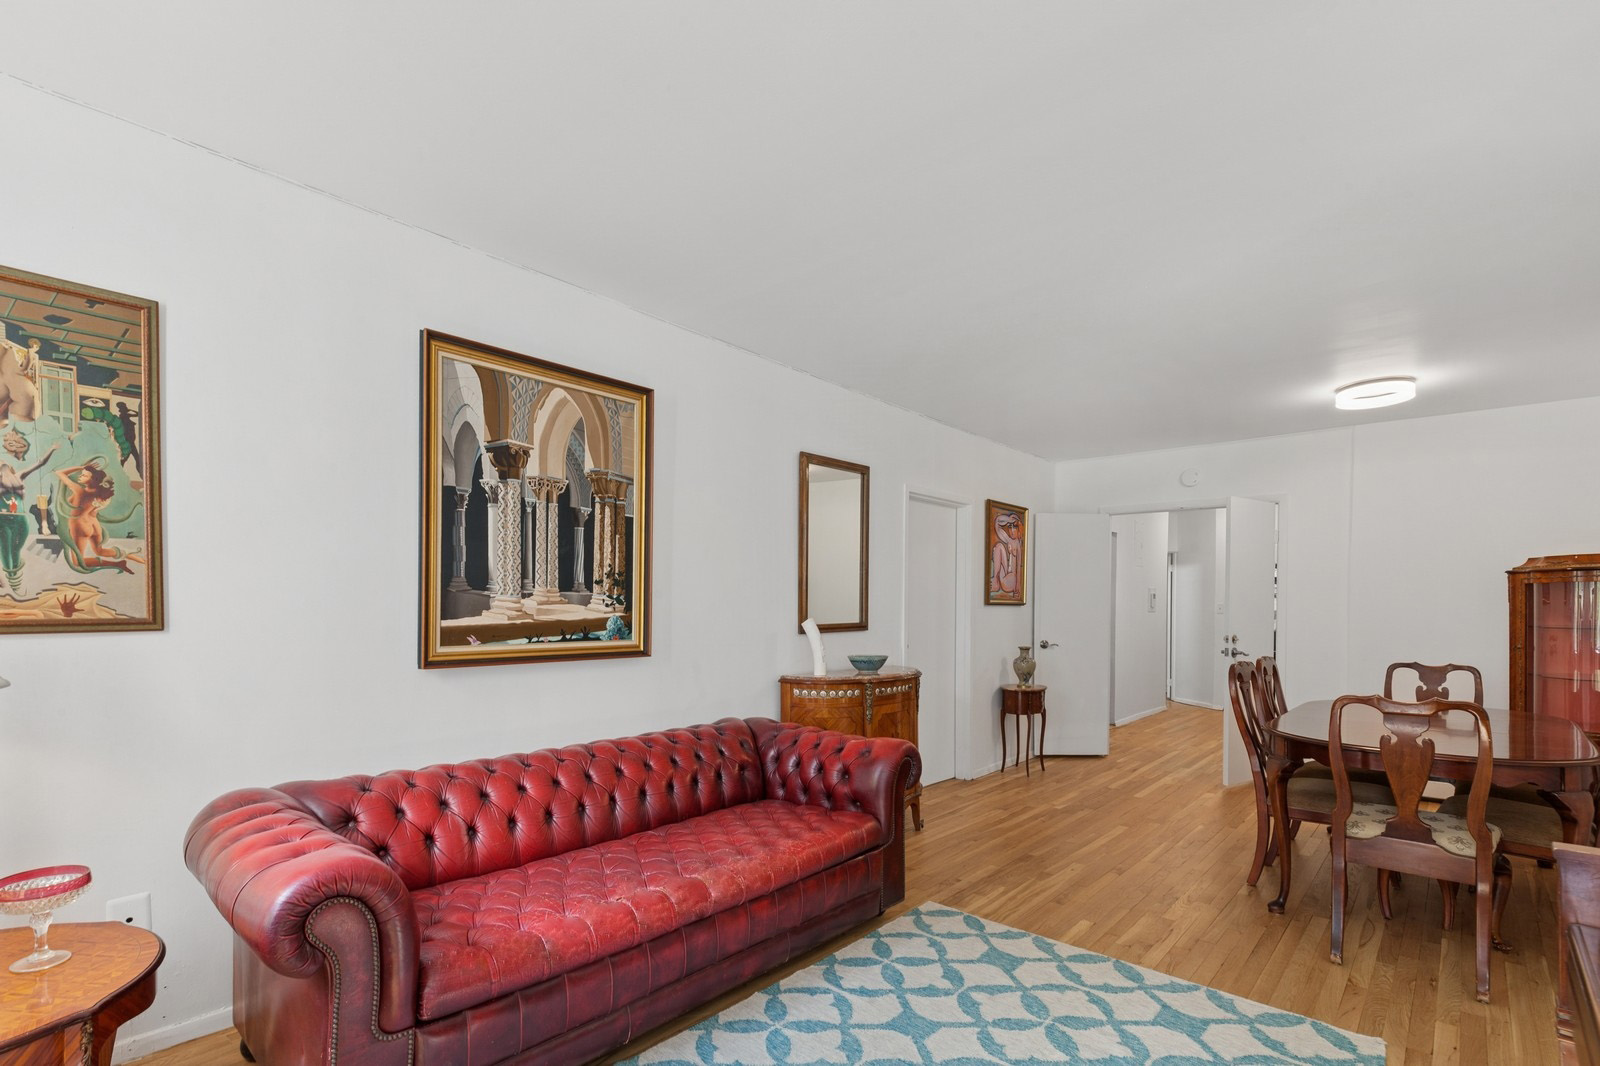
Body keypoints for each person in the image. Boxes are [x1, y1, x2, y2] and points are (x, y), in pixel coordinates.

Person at [53, 458, 141, 574]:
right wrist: (85, 469)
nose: (80, 476)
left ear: (92, 480)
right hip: (94, 524)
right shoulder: (100, 494)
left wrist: (81, 467)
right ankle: (125, 553)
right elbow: (93, 512)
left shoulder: (79, 491)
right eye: (82, 474)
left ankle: (117, 564)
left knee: (77, 562)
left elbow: (59, 473)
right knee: (100, 551)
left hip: (80, 527)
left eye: (84, 475)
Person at [0, 443, 59, 590]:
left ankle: (14, 576)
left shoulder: (19, 476)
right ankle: (13, 580)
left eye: (3, 461)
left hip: (21, 518)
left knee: (17, 548)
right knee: (6, 549)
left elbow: (39, 464)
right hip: (4, 519)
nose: (3, 462)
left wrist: (50, 450)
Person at [990, 508, 1022, 599]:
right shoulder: (1008, 540)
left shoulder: (1018, 544)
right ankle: (995, 580)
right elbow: (997, 523)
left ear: (1018, 529)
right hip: (1005, 576)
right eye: (1010, 527)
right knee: (999, 546)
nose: (1012, 530)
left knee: (1014, 574)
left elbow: (1018, 568)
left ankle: (997, 582)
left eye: (1014, 527)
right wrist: (1009, 519)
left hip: (1011, 582)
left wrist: (1017, 590)